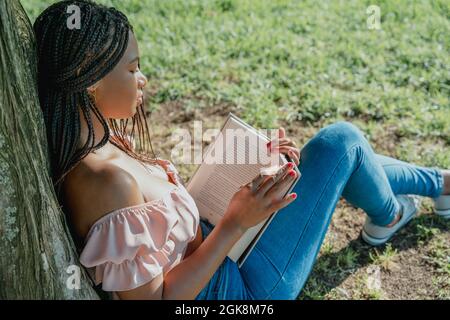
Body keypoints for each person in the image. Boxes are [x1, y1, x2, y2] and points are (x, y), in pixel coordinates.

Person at [34, 0, 450, 300]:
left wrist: (243, 168)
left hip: (216, 249)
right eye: (132, 67)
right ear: (88, 75)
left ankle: (431, 188)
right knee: (339, 143)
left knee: (322, 157)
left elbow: (161, 229)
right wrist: (235, 223)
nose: (142, 78)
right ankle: (395, 212)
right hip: (241, 289)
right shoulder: (105, 180)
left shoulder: (102, 143)